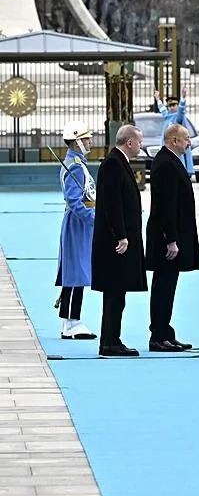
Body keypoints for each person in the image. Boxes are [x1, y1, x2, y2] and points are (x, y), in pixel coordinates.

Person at [91, 125, 148, 357]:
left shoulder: (118, 161)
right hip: (115, 242)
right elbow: (111, 203)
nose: (141, 146)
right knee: (115, 292)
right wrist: (121, 235)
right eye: (140, 142)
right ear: (130, 142)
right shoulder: (113, 163)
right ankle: (110, 342)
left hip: (121, 237)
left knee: (118, 293)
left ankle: (112, 339)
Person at [145, 123, 199, 352]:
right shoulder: (166, 163)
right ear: (173, 140)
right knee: (163, 287)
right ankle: (158, 336)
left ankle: (165, 331)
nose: (189, 142)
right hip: (166, 237)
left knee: (168, 287)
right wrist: (171, 239)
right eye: (186, 138)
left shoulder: (171, 160)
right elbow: (165, 206)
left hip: (173, 234)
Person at [55, 121, 97, 340]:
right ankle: (72, 321)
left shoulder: (77, 163)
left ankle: (69, 320)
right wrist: (93, 219)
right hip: (78, 223)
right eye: (86, 139)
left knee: (77, 270)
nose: (90, 142)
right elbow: (74, 201)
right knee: (75, 272)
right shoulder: (75, 167)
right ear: (77, 141)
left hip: (80, 222)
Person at [154, 87, 195, 177]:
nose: (172, 107)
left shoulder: (179, 117)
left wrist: (183, 98)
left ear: (177, 105)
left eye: (174, 105)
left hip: (177, 147)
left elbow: (181, 110)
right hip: (167, 147)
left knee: (178, 167)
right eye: (170, 106)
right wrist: (158, 99)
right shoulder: (167, 116)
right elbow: (162, 109)